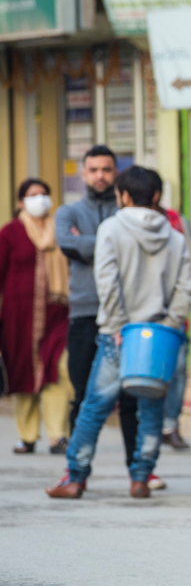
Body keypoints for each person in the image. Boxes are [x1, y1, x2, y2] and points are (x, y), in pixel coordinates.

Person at [46, 166, 191, 499]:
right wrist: (169, 325)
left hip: (118, 335)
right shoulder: (175, 237)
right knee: (151, 407)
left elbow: (107, 282)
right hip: (159, 334)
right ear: (156, 196)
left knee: (94, 406)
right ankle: (141, 478)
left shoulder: (110, 228)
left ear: (123, 196)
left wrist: (116, 325)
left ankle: (76, 477)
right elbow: (185, 289)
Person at [55, 145, 141, 464]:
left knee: (131, 398)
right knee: (82, 394)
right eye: (93, 170)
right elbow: (67, 242)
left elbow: (133, 244)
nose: (100, 176)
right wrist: (115, 241)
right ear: (83, 173)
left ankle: (137, 470)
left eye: (106, 169)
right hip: (85, 313)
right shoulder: (69, 212)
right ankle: (75, 468)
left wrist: (88, 242)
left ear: (115, 172)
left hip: (126, 315)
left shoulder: (127, 211)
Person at [0, 179, 73, 454]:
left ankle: (58, 436)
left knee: (57, 369)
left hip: (58, 313)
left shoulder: (62, 231)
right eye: (33, 195)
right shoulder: (10, 233)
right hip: (18, 319)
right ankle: (27, 436)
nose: (40, 199)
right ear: (21, 202)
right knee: (23, 374)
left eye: (44, 194)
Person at [149, 172, 191, 454]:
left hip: (176, 312)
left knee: (177, 371)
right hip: (140, 313)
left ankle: (170, 426)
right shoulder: (124, 223)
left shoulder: (177, 221)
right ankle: (149, 427)